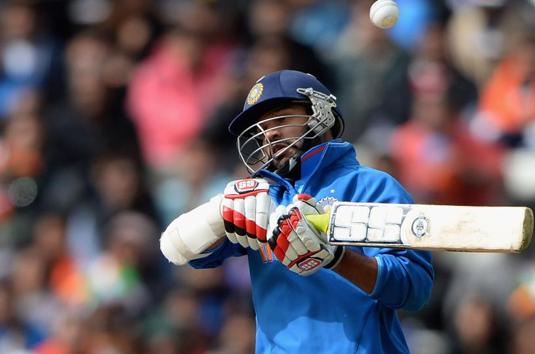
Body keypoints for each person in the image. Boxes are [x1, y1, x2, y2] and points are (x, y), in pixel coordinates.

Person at [159, 70, 434, 353]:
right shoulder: (262, 197)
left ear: (321, 113)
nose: (270, 134)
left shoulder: (371, 186)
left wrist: (337, 259)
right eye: (261, 129)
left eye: (281, 119)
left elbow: (414, 289)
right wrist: (219, 211)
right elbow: (193, 255)